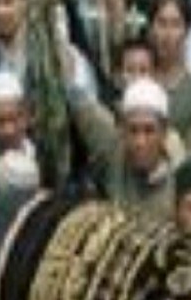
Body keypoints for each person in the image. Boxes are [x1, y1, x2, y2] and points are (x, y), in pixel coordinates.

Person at [72, 77, 181, 222]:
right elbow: (80, 103)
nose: (140, 142)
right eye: (133, 130)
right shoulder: (112, 150)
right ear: (123, 130)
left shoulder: (180, 182)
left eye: (149, 131)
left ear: (164, 132)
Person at [146, 0, 191, 148]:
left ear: (187, 31)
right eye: (161, 23)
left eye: (175, 24)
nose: (167, 33)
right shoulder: (141, 81)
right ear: (151, 29)